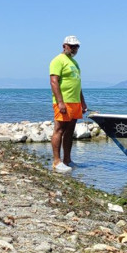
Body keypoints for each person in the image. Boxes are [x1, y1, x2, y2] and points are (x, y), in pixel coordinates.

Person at [49, 35, 87, 173]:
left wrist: (82, 102)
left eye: (77, 46)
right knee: (59, 129)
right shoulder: (57, 60)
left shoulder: (74, 63)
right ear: (64, 46)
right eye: (71, 46)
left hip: (75, 102)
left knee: (70, 131)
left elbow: (78, 83)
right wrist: (60, 102)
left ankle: (67, 160)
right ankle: (56, 161)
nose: (74, 49)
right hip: (63, 102)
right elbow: (54, 82)